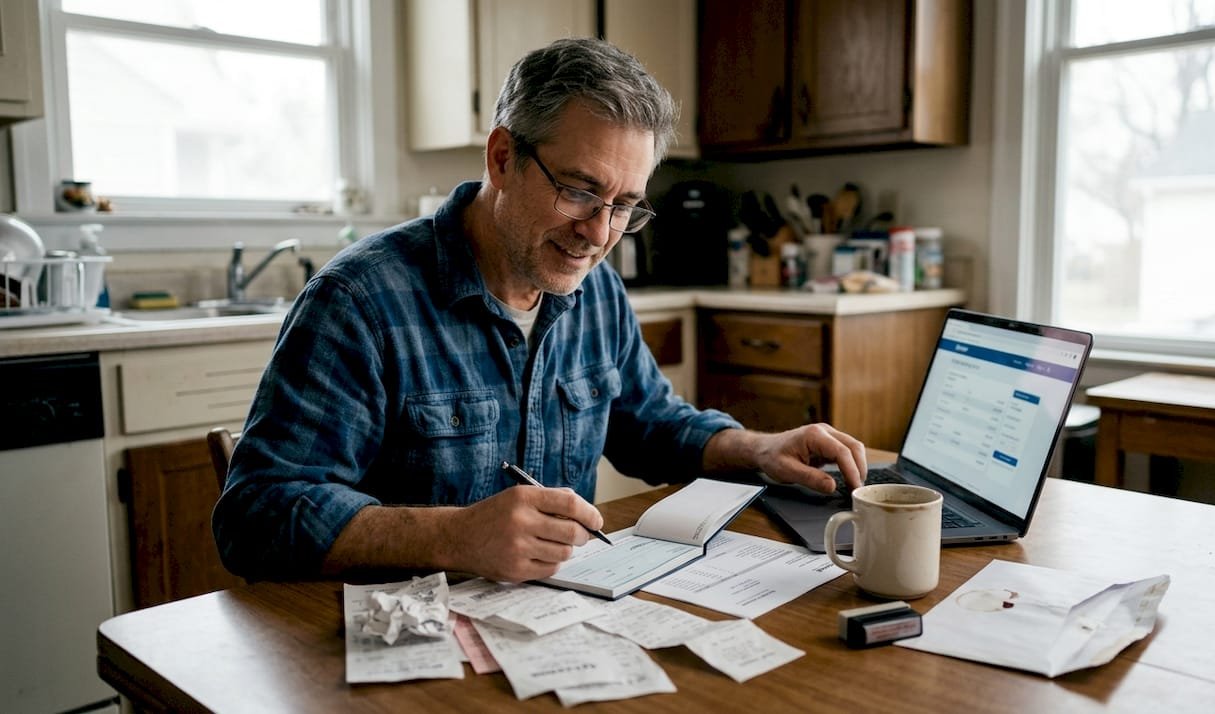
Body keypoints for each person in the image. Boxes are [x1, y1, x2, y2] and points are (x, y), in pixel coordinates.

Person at [212, 38, 866, 584]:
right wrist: (455, 536)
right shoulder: (360, 301)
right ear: (502, 158)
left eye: (624, 206)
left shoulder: (595, 291)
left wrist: (759, 449)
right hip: (399, 649)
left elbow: (649, 423)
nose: (599, 233)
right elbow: (257, 516)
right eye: (581, 192)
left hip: (555, 627)